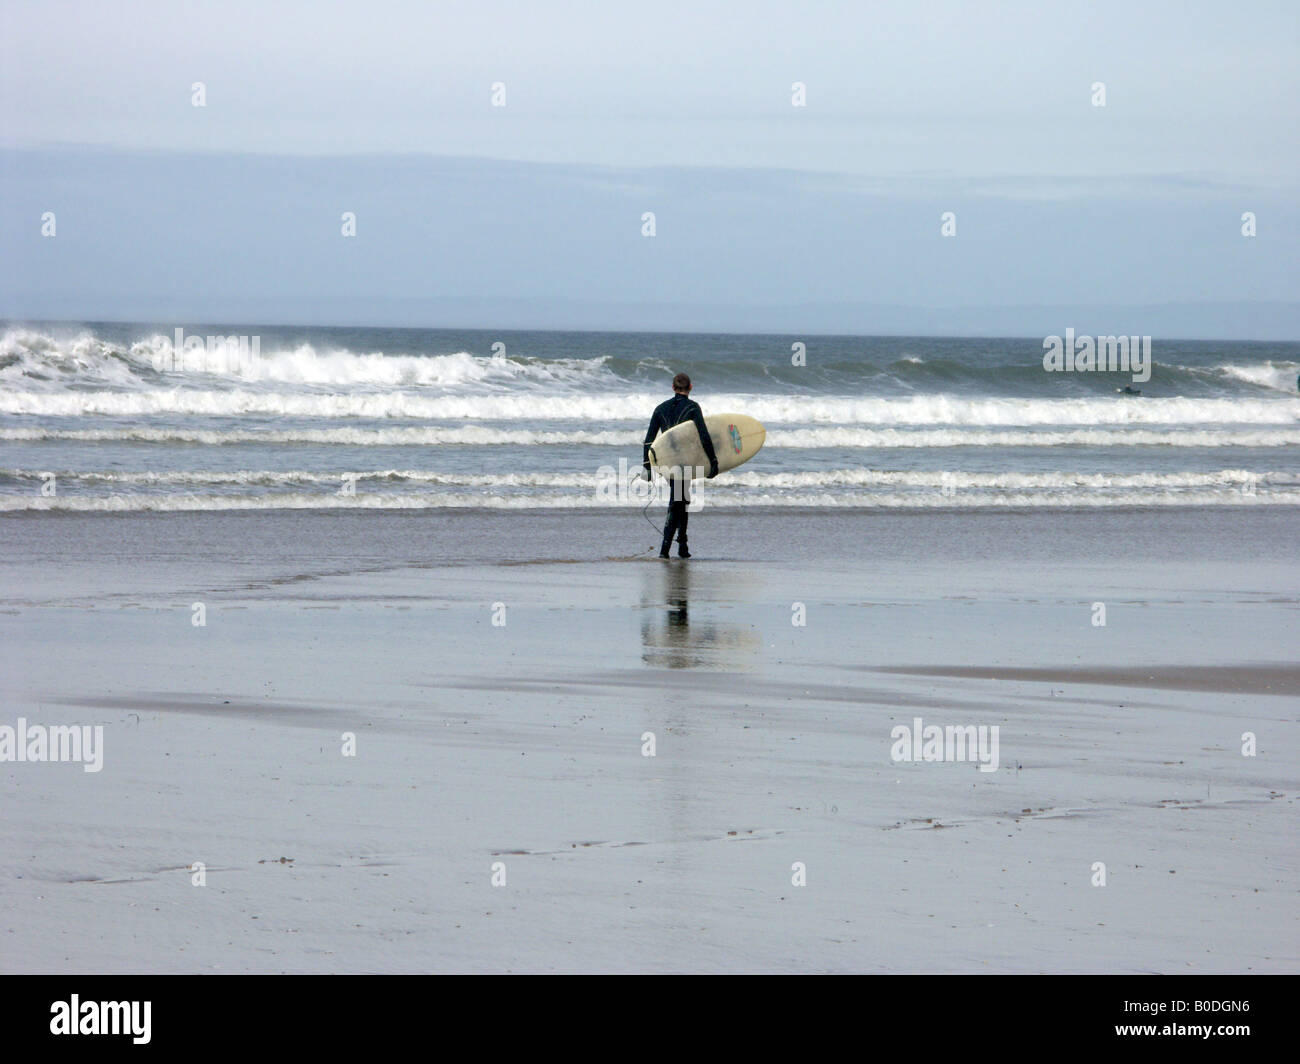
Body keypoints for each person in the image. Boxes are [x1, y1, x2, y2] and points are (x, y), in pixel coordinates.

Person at [643, 372, 718, 559]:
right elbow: (704, 436)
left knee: (682, 500)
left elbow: (648, 441)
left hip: (667, 463)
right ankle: (665, 549)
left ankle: (682, 546)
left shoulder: (660, 408)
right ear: (690, 387)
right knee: (678, 501)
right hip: (685, 462)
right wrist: (713, 462)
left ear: (672, 387)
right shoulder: (693, 408)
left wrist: (647, 466)